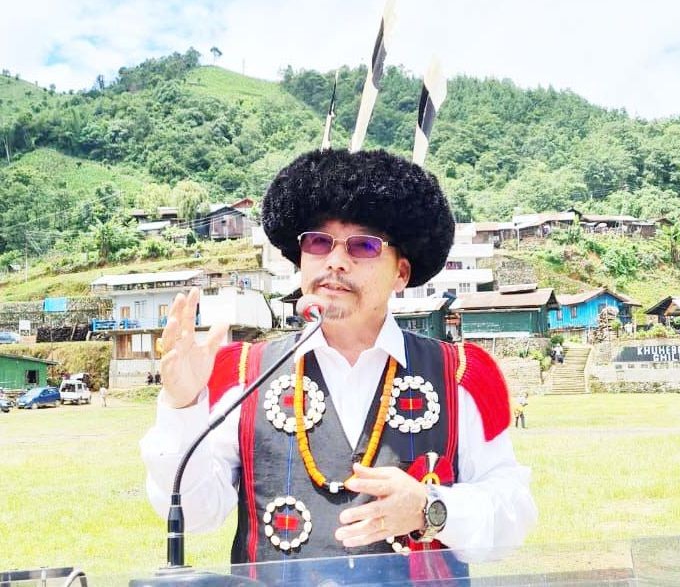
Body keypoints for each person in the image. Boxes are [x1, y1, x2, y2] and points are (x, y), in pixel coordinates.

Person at [141, 149, 537, 570]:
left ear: (401, 273)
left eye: (363, 246)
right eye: (318, 242)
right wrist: (182, 406)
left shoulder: (458, 375)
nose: (335, 261)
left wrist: (430, 508)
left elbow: (513, 513)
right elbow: (198, 514)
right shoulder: (245, 375)